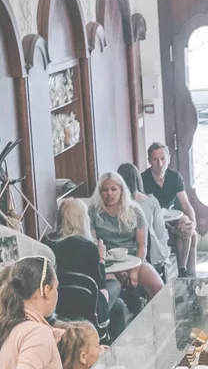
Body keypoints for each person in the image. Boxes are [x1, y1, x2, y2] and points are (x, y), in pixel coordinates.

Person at [47, 198, 128, 339]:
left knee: (119, 305)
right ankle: (112, 349)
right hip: (87, 309)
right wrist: (101, 257)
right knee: (115, 286)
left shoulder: (47, 242)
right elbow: (102, 288)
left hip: (57, 307)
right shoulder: (88, 247)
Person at [89, 172, 165, 307]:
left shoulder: (135, 211)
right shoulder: (93, 212)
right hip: (108, 264)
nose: (109, 194)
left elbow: (142, 245)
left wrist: (134, 270)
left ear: (121, 190)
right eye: (105, 190)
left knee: (158, 287)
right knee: (111, 290)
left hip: (134, 260)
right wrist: (116, 269)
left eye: (113, 189)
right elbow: (93, 243)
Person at [137, 144, 197, 275]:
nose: (159, 163)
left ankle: (184, 271)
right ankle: (181, 272)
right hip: (152, 223)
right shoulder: (143, 179)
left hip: (172, 218)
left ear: (168, 159)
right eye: (155, 159)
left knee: (188, 226)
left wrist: (193, 224)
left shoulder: (174, 177)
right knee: (187, 231)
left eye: (163, 158)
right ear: (149, 161)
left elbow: (186, 205)